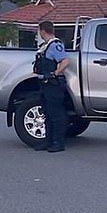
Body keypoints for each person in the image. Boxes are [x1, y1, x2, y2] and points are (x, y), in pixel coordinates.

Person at [33, 21, 70, 153]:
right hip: (45, 84)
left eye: (39, 31)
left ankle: (58, 142)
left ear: (43, 30)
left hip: (53, 84)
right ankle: (48, 141)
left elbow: (65, 61)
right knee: (47, 114)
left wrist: (55, 73)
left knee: (56, 114)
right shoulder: (45, 46)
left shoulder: (55, 45)